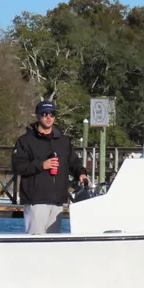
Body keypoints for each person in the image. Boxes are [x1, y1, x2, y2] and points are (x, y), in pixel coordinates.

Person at [12, 100, 87, 234]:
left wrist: (81, 173)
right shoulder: (25, 141)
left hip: (58, 201)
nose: (48, 117)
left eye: (52, 114)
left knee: (54, 245)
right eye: (44, 113)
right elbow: (18, 166)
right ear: (37, 116)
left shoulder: (63, 141)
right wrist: (42, 165)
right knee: (35, 243)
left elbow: (73, 162)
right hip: (36, 200)